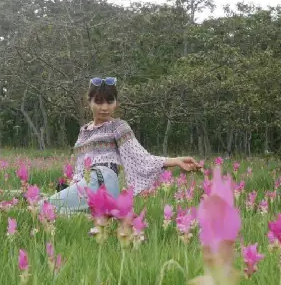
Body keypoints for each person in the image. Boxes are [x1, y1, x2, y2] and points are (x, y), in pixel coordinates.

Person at [45, 77, 201, 213]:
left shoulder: (118, 127)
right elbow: (80, 167)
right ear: (89, 102)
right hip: (85, 184)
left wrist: (175, 160)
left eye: (109, 101)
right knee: (55, 211)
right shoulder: (83, 131)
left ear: (116, 103)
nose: (104, 107)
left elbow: (140, 156)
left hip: (103, 181)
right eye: (98, 101)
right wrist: (72, 186)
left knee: (44, 208)